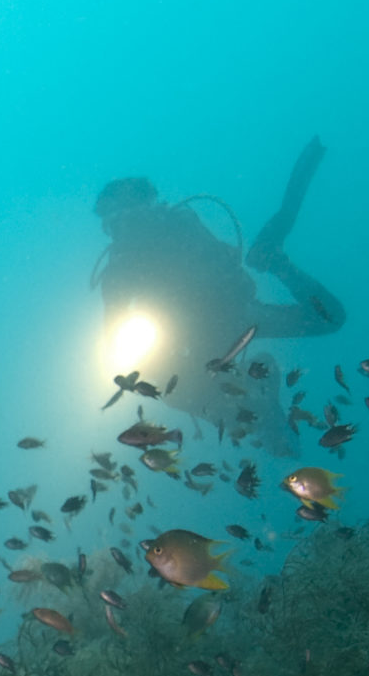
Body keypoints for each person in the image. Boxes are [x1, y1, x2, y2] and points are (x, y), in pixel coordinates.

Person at [93, 138, 344, 455]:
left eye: (120, 215)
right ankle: (264, 416)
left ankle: (277, 263)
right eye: (111, 222)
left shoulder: (177, 226)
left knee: (329, 318)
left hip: (229, 318)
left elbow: (226, 269)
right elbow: (114, 336)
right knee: (174, 391)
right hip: (202, 334)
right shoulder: (121, 267)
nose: (120, 226)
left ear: (146, 204)